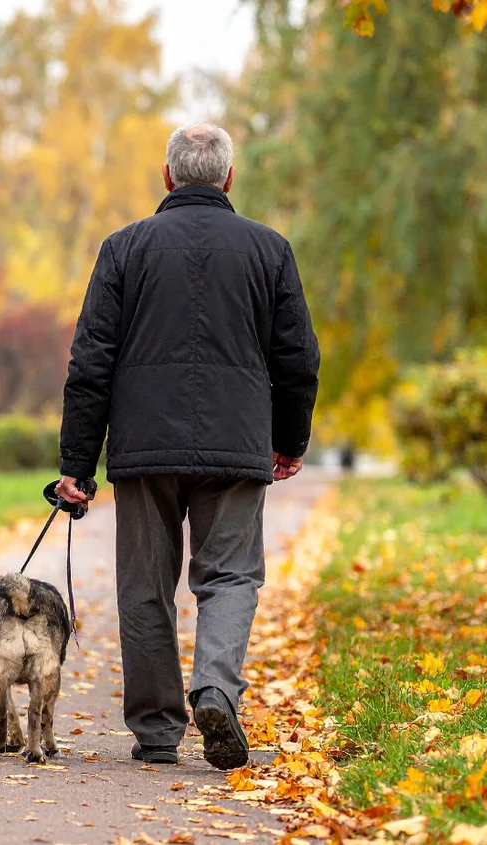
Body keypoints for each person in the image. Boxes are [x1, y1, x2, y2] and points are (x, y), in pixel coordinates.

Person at [55, 124, 319, 770]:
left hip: (144, 447)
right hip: (236, 444)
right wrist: (288, 439)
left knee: (144, 584)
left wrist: (76, 467)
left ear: (168, 177)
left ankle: (156, 729)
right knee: (229, 575)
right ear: (227, 178)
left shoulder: (123, 249)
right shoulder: (270, 250)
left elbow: (90, 361)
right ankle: (216, 690)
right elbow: (298, 358)